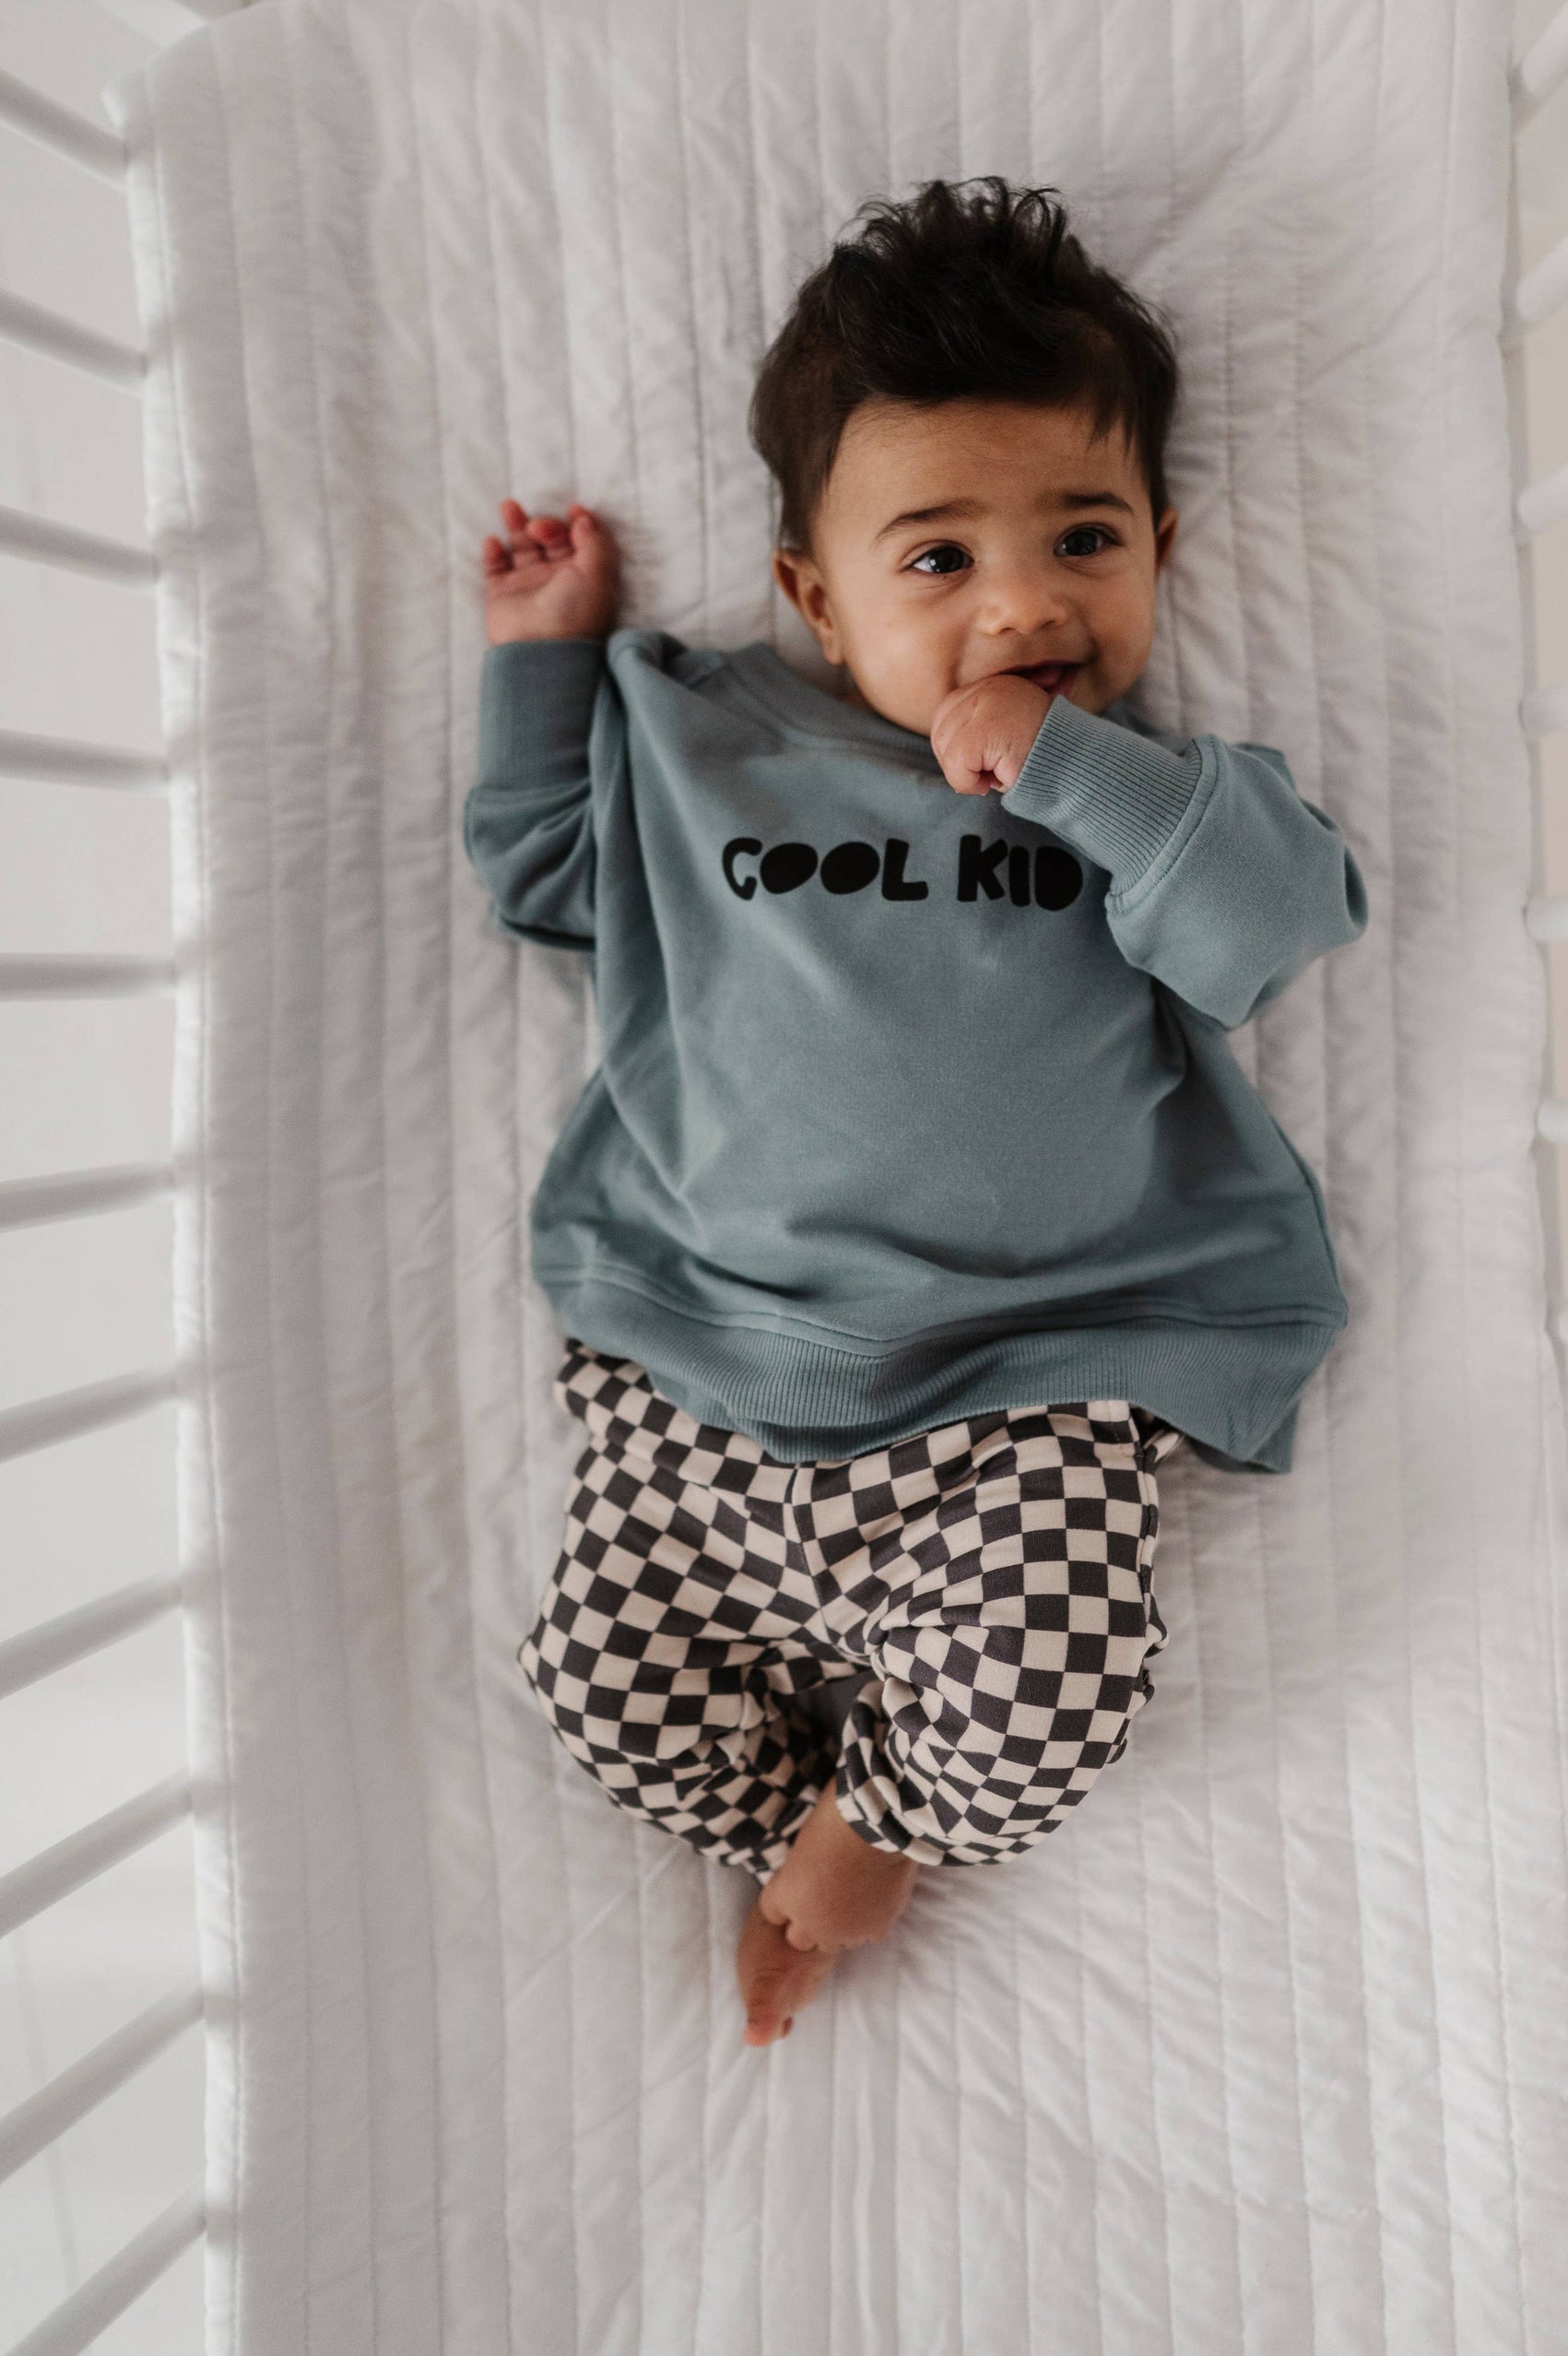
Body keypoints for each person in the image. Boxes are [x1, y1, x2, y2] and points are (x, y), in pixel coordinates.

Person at [463, 177, 1368, 2049]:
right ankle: (801, 1806)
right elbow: (547, 868)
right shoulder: (715, 741)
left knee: (1059, 1690)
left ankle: (876, 1822)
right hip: (706, 1365)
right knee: (597, 1689)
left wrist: (1073, 768)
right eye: (937, 558)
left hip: (1023, 1386)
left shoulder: (1162, 793)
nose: (1024, 600)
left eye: (1084, 537)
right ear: (814, 593)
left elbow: (1276, 926)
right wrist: (546, 659)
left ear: (1161, 548)